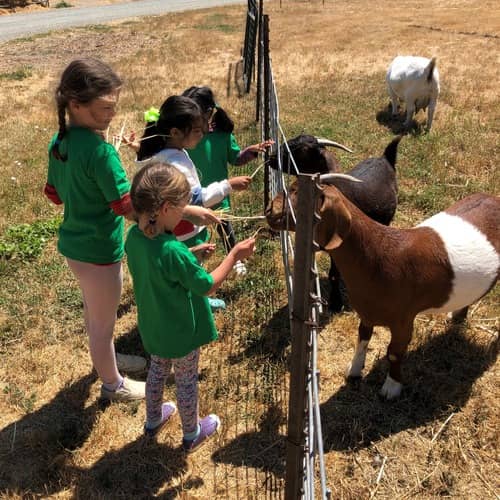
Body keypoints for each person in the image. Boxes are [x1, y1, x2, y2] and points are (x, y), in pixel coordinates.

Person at [125, 161, 256, 451]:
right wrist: (234, 255)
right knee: (186, 381)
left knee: (157, 371)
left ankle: (153, 419)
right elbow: (207, 285)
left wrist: (190, 253)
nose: (184, 214)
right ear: (166, 208)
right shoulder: (173, 251)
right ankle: (192, 433)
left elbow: (161, 268)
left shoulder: (133, 238)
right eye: (182, 206)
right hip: (180, 331)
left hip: (153, 326)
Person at [43, 58, 150, 401]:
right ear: (76, 104)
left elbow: (53, 195)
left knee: (94, 312)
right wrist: (156, 222)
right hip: (101, 253)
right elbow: (124, 205)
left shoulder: (58, 143)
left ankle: (107, 361)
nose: (112, 116)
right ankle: (112, 383)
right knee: (103, 327)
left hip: (75, 250)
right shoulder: (102, 154)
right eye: (105, 108)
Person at [135, 95, 253, 310]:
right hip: (186, 230)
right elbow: (197, 199)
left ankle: (192, 299)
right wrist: (228, 185)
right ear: (175, 132)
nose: (205, 133)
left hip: (175, 228)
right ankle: (193, 303)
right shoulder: (176, 163)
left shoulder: (164, 153)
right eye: (197, 130)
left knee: (185, 267)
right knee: (190, 269)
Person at [182, 86, 273, 275]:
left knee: (225, 229)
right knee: (191, 233)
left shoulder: (222, 135)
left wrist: (251, 152)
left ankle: (235, 260)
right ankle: (191, 265)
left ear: (207, 113)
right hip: (191, 197)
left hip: (218, 195)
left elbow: (236, 158)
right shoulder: (184, 137)